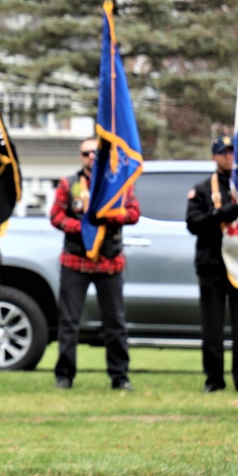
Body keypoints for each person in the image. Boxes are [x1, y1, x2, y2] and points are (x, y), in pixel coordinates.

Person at [49, 137, 140, 391]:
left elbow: (133, 213)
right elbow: (56, 216)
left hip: (109, 262)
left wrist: (109, 217)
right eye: (86, 153)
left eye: (95, 152)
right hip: (74, 261)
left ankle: (120, 377)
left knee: (115, 323)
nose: (91, 157)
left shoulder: (117, 183)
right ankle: (64, 376)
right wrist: (84, 228)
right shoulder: (69, 183)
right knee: (69, 321)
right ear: (81, 156)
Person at [185, 135, 238, 394]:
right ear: (214, 156)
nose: (228, 156)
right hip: (212, 263)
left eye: (232, 152)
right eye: (222, 152)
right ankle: (214, 379)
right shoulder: (203, 188)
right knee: (213, 326)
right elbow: (193, 223)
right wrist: (219, 214)